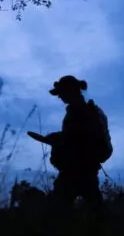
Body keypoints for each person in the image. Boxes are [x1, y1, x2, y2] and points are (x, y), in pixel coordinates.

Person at [43, 75, 110, 216]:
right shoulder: (83, 110)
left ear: (70, 91)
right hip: (87, 168)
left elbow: (76, 138)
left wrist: (57, 138)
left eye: (61, 93)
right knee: (96, 209)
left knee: (58, 210)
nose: (60, 97)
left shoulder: (78, 111)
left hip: (76, 168)